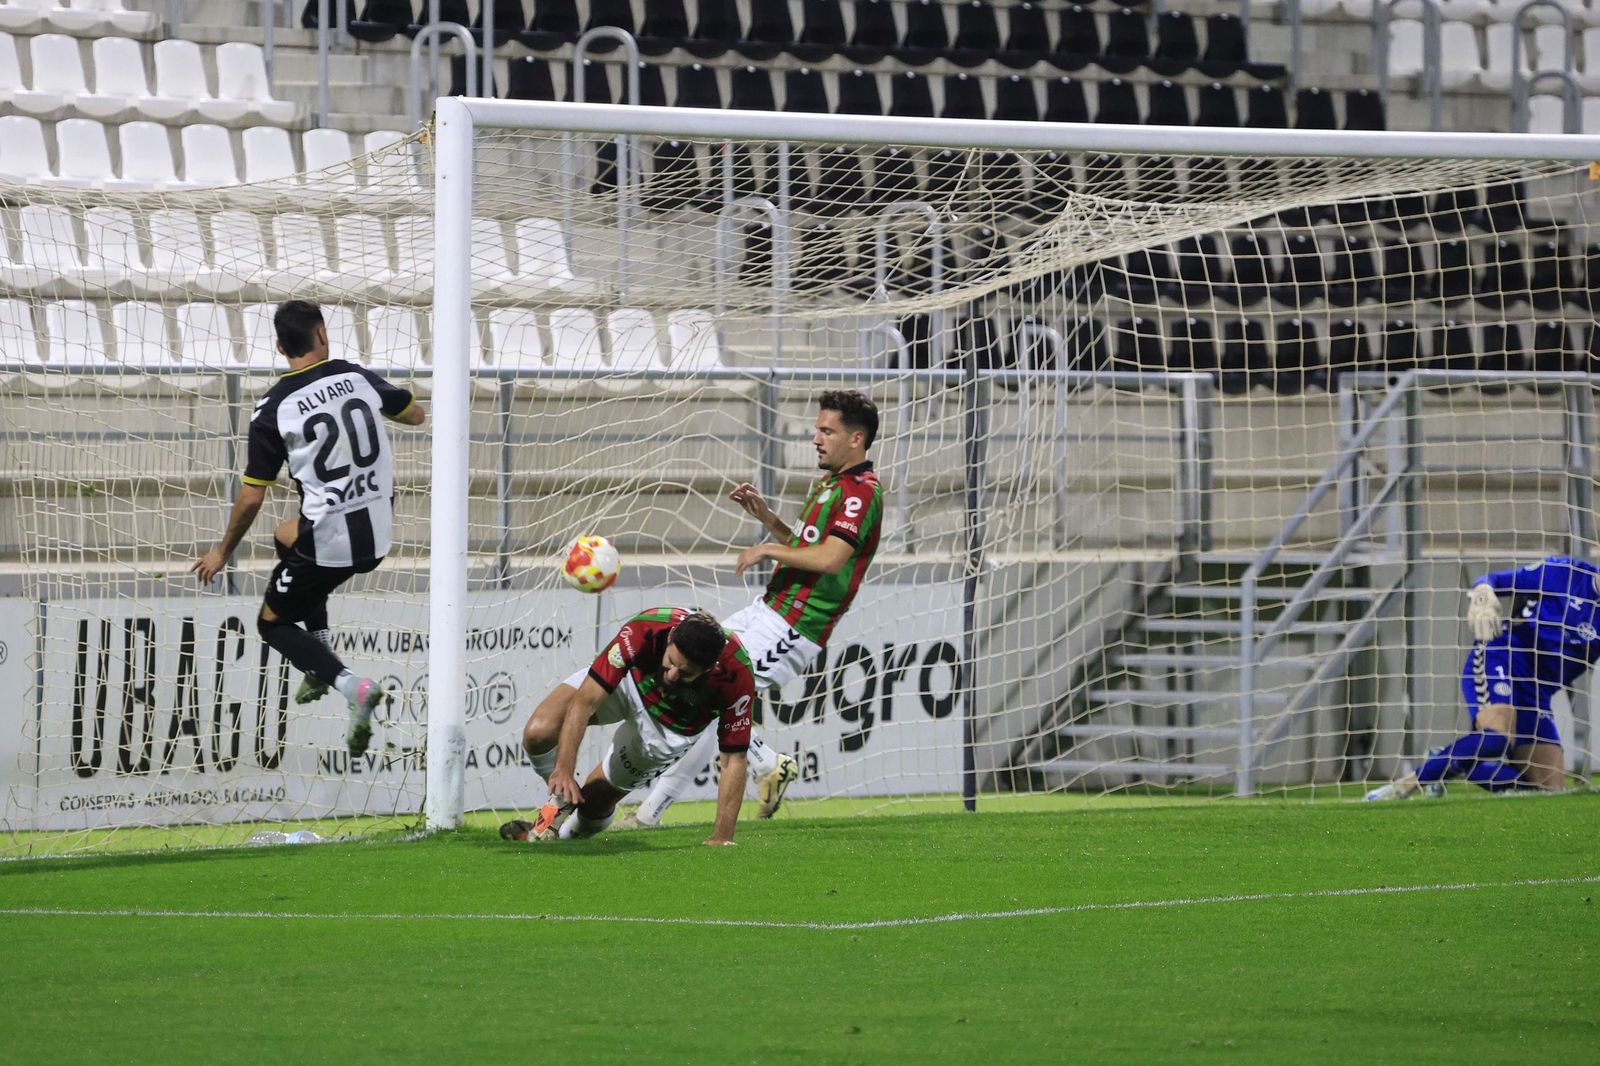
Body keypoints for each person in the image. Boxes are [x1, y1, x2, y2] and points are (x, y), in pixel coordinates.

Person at [622, 389, 885, 828]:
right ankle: (766, 764)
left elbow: (830, 559)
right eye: (817, 429)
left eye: (827, 431)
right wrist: (767, 517)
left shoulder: (861, 492)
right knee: (701, 672)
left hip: (795, 624)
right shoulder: (830, 484)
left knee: (711, 694)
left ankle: (651, 813)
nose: (816, 438)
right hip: (769, 608)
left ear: (856, 438)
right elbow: (805, 546)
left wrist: (766, 549)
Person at [191, 300, 426, 757]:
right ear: (322, 334)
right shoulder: (355, 376)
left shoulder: (272, 409)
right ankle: (321, 649)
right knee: (285, 535)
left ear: (281, 348)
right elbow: (415, 415)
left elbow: (252, 496)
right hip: (379, 533)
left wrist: (222, 551)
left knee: (271, 624)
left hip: (330, 543)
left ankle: (349, 684)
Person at [501, 607, 755, 845]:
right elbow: (584, 702)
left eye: (685, 673)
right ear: (671, 638)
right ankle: (559, 803)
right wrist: (564, 771)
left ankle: (561, 836)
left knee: (593, 804)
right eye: (670, 661)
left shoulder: (737, 673)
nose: (671, 675)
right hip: (630, 682)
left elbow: (734, 759)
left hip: (671, 727)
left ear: (709, 668)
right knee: (539, 732)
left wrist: (722, 837)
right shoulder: (646, 628)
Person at [1366, 555, 1595, 801]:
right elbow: (1492, 580)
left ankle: (1445, 760)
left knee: (1548, 793)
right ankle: (1403, 786)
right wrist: (1483, 596)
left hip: (1537, 692)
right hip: (1502, 658)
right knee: (1496, 739)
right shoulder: (1565, 572)